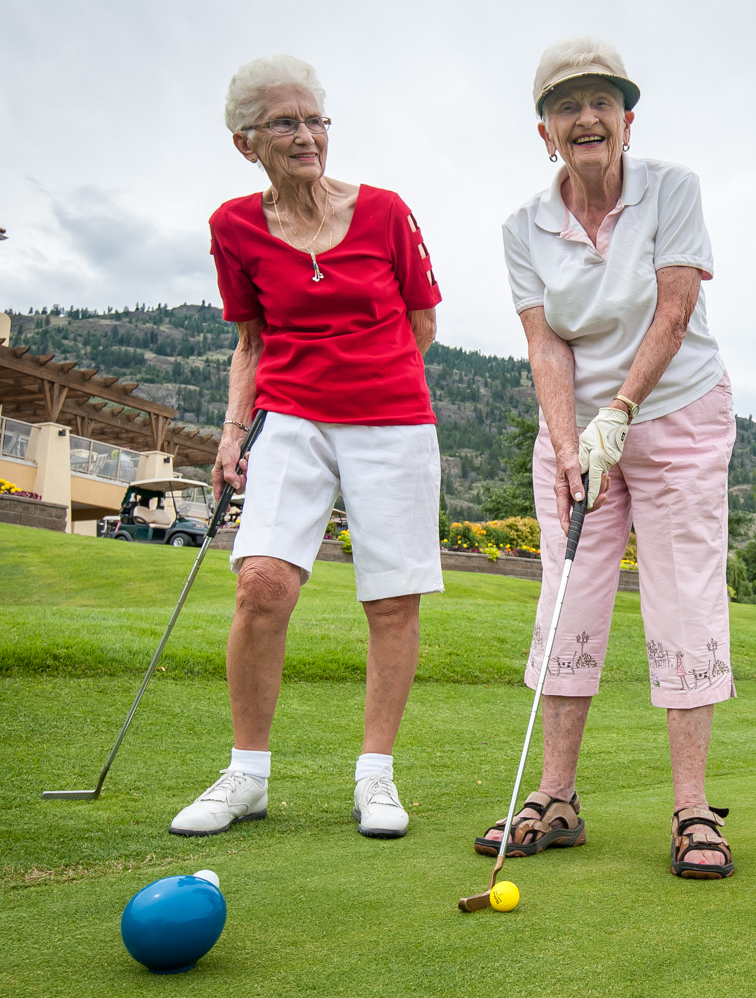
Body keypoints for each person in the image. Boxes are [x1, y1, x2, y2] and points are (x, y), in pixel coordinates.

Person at [474, 36, 738, 879]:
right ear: (545, 132)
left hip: (678, 411)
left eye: (601, 102)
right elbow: (545, 344)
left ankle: (693, 807)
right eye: (565, 106)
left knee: (684, 598)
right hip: (581, 431)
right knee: (568, 597)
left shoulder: (673, 189)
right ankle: (556, 798)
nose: (585, 117)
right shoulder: (523, 227)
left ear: (627, 118)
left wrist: (621, 411)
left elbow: (675, 305)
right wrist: (566, 443)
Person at [169, 54, 443, 840]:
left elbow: (423, 326)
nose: (306, 135)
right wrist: (232, 433)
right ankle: (247, 776)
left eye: (315, 119)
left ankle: (376, 779)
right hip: (289, 414)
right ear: (245, 141)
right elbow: (250, 340)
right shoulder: (234, 226)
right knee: (261, 584)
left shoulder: (387, 211)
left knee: (391, 599)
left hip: (392, 417)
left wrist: (368, 394)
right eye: (285, 122)